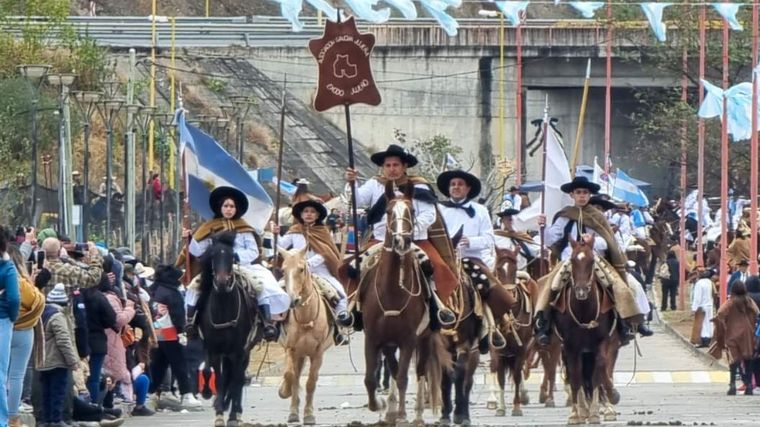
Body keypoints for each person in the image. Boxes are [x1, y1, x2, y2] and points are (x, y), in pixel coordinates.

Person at [343, 144, 458, 326]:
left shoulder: (419, 186)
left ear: (404, 166)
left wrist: (407, 230)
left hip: (415, 240)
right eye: (388, 166)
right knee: (353, 266)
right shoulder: (375, 184)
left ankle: (438, 307)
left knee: (437, 267)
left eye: (396, 165)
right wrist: (352, 183)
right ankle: (353, 308)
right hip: (380, 240)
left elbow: (429, 214)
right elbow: (357, 200)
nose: (392, 169)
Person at [535, 176, 650, 346]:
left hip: (596, 260)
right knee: (551, 284)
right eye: (578, 192)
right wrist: (543, 227)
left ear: (589, 195)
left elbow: (609, 241)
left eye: (585, 193)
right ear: (572, 195)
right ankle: (543, 324)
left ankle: (623, 324)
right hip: (570, 260)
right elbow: (552, 239)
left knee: (617, 284)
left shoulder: (598, 216)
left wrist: (594, 241)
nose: (582, 196)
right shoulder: (565, 216)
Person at [178, 186, 290, 342]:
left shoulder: (244, 228)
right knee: (196, 286)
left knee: (260, 285)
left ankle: (267, 323)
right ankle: (190, 323)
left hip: (243, 266)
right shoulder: (209, 227)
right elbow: (198, 252)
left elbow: (253, 251)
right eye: (226, 206)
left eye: (232, 206)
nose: (229, 209)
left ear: (236, 209)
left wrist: (235, 256)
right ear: (220, 207)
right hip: (217, 268)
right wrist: (189, 238)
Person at [436, 170, 505, 349]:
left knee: (485, 286)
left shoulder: (481, 211)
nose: (456, 187)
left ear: (468, 189)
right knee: (425, 282)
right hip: (444, 260)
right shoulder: (438, 209)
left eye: (460, 184)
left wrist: (470, 242)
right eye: (453, 184)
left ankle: (488, 327)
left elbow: (489, 239)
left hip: (471, 259)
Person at [276, 200, 350, 345]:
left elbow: (325, 253)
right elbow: (281, 246)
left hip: (319, 271)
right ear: (301, 214)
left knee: (340, 293)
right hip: (297, 272)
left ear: (317, 216)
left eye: (312, 212)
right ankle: (275, 325)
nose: (309, 214)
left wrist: (308, 264)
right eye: (306, 211)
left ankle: (340, 327)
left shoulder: (323, 232)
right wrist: (275, 235)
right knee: (277, 291)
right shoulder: (295, 231)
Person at [148, 265, 200, 409]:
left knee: (158, 365)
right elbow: (177, 315)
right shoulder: (172, 293)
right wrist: (181, 332)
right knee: (180, 365)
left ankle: (150, 391)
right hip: (171, 334)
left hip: (156, 333)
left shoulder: (153, 290)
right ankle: (187, 393)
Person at [6, 246, 44, 427]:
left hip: (3, 326)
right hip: (23, 331)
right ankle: (13, 417)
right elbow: (38, 302)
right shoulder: (21, 282)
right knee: (16, 376)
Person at [39, 284, 80, 427]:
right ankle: (56, 420)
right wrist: (72, 360)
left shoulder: (43, 313)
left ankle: (47, 420)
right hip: (57, 360)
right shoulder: (58, 316)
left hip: (43, 360)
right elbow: (63, 340)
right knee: (58, 392)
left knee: (46, 392)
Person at [709, 281, 759, 395]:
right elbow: (757, 313)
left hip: (732, 335)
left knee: (734, 361)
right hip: (748, 334)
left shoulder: (730, 302)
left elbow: (720, 313)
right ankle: (749, 386)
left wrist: (722, 325)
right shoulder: (749, 301)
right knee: (748, 359)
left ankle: (732, 385)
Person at [42, 237, 103, 319]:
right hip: (64, 318)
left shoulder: (35, 270)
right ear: (59, 252)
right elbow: (93, 278)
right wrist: (95, 255)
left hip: (40, 319)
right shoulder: (69, 270)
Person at [0, 229, 20, 427]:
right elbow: (14, 298)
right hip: (2, 319)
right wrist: (12, 317)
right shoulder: (7, 267)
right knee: (0, 373)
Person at [493, 200, 540, 271]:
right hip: (500, 274)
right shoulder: (495, 237)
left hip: (521, 275)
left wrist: (541, 250)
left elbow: (534, 251)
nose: (511, 222)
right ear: (503, 220)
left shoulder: (522, 237)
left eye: (513, 219)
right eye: (508, 219)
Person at [691, 269, 716, 348]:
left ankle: (703, 340)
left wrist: (694, 308)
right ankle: (709, 339)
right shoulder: (710, 282)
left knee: (702, 324)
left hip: (701, 306)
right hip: (709, 305)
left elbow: (697, 298)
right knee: (709, 323)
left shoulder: (699, 283)